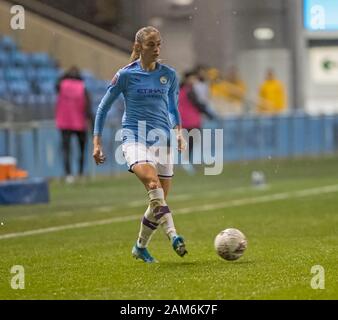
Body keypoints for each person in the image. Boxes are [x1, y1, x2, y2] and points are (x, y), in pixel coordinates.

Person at [92, 26, 188, 263]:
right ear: (138, 47)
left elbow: (173, 108)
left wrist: (178, 133)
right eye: (151, 45)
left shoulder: (169, 75)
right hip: (134, 138)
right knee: (153, 184)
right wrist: (97, 143)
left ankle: (140, 247)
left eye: (159, 44)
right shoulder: (125, 75)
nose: (157, 49)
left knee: (159, 200)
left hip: (162, 140)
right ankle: (173, 236)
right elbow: (103, 108)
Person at [55, 66, 93, 183]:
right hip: (79, 122)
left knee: (66, 149)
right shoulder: (83, 87)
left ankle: (68, 174)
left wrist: (65, 75)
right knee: (82, 149)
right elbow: (88, 106)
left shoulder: (61, 85)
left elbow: (56, 85)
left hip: (65, 122)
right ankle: (80, 172)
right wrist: (91, 121)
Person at [179, 70, 217, 174]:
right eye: (192, 78)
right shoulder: (189, 91)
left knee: (188, 143)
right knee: (191, 143)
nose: (194, 80)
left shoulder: (180, 90)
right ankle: (187, 163)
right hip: (191, 121)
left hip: (184, 121)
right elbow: (198, 104)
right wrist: (210, 115)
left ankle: (187, 162)